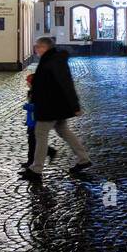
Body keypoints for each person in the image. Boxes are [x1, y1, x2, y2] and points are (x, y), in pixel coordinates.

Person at [23, 36, 92, 178]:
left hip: (50, 106)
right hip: (56, 106)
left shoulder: (52, 60)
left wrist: (75, 105)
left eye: (37, 47)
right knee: (63, 130)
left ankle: (36, 169)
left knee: (40, 134)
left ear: (45, 47)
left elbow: (67, 83)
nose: (35, 49)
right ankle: (84, 159)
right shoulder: (51, 59)